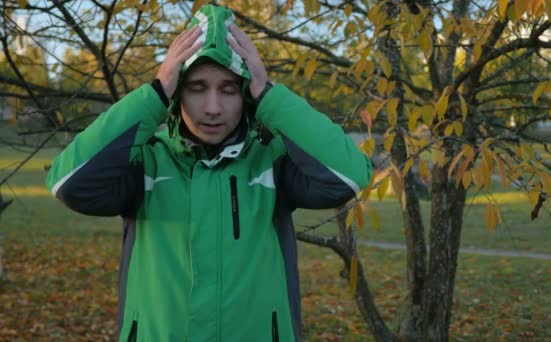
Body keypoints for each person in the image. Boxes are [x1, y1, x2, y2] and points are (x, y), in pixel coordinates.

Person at [46, 5, 371, 342]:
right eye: (197, 88)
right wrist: (155, 92)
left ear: (246, 95)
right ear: (177, 93)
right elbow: (69, 183)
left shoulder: (269, 161)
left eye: (229, 90)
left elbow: (348, 176)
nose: (213, 108)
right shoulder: (147, 162)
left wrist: (268, 93)